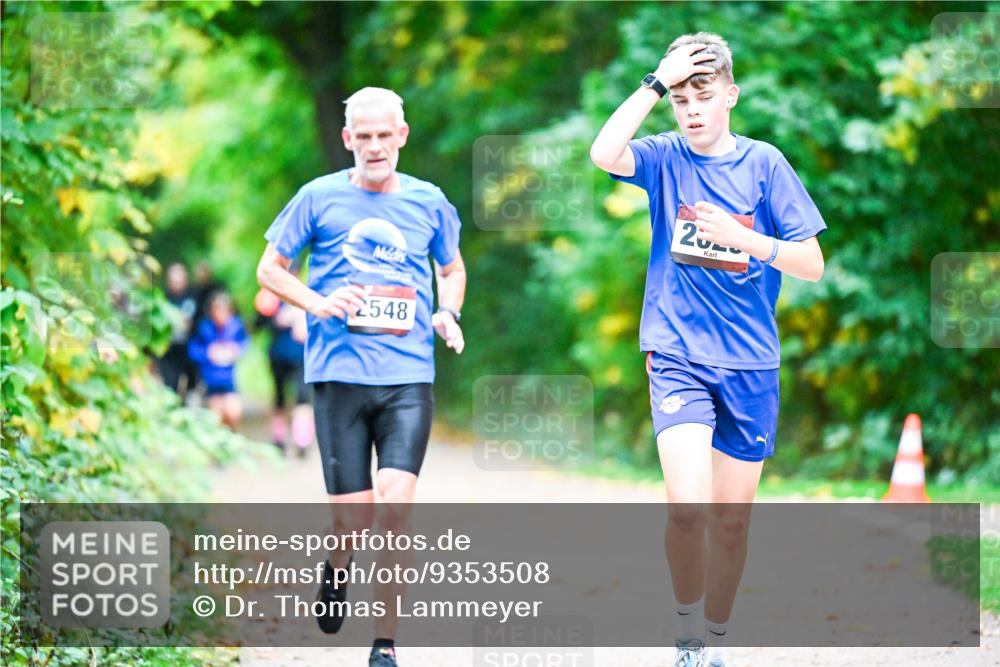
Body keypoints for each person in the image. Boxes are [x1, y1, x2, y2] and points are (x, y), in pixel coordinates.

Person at [590, 32, 826, 667]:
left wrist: (746, 240)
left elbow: (812, 264)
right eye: (681, 99)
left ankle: (717, 636)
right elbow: (603, 152)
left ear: (731, 96)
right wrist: (655, 81)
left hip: (750, 362)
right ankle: (688, 634)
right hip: (677, 353)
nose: (691, 110)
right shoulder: (665, 157)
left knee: (731, 522)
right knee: (688, 507)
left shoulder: (765, 164)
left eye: (703, 96)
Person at [256, 87, 466, 667]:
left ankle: (384, 644)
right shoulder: (317, 198)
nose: (375, 147)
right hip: (338, 377)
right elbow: (270, 270)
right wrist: (316, 302)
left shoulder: (429, 202)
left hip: (408, 377)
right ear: (348, 139)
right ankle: (337, 562)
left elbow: (451, 268)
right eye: (364, 136)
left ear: (402, 136)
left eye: (384, 135)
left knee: (396, 504)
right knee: (354, 519)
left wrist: (447, 311)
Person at [254, 286, 313, 456]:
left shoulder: (306, 295)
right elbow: (258, 325)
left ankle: (302, 441)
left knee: (302, 396)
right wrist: (276, 320)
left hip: (300, 356)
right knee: (279, 396)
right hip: (278, 356)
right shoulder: (271, 297)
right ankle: (278, 438)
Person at [187, 291, 248, 430]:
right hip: (210, 380)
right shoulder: (204, 328)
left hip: (229, 380)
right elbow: (193, 350)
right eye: (218, 309)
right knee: (216, 416)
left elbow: (244, 343)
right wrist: (208, 353)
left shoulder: (236, 326)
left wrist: (235, 350)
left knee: (233, 412)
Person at [157, 262, 198, 398]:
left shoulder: (193, 296)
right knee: (170, 383)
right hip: (169, 349)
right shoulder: (162, 298)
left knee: (192, 385)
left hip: (189, 348)